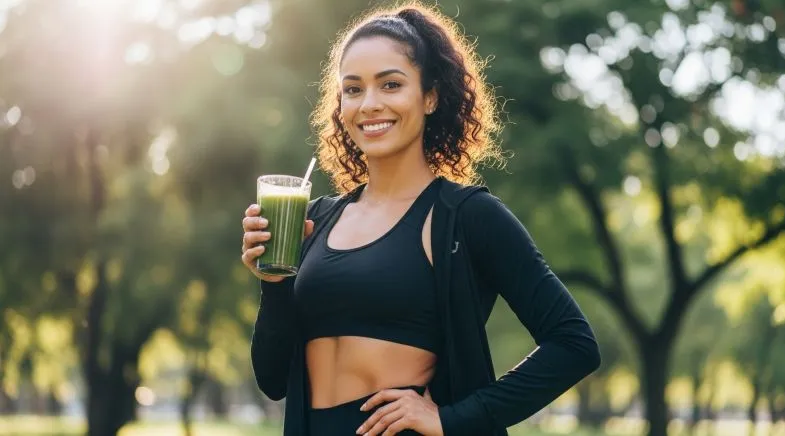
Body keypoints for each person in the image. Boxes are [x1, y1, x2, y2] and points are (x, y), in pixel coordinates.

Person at [240, 2, 600, 435]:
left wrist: (452, 419)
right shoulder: (316, 218)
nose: (369, 104)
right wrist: (275, 283)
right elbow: (273, 379)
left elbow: (574, 344)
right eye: (352, 90)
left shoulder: (468, 216)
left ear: (430, 96)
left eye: (390, 85)